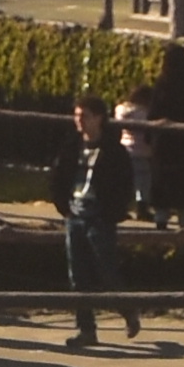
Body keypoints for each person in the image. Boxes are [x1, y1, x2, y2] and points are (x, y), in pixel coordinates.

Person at [59, 94, 139, 347]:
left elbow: (125, 185)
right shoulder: (71, 146)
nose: (79, 121)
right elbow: (58, 176)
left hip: (100, 215)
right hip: (76, 213)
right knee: (77, 275)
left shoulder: (114, 151)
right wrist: (64, 208)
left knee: (107, 270)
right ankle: (86, 329)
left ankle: (128, 311)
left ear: (99, 118)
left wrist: (111, 213)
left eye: (84, 116)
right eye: (77, 116)